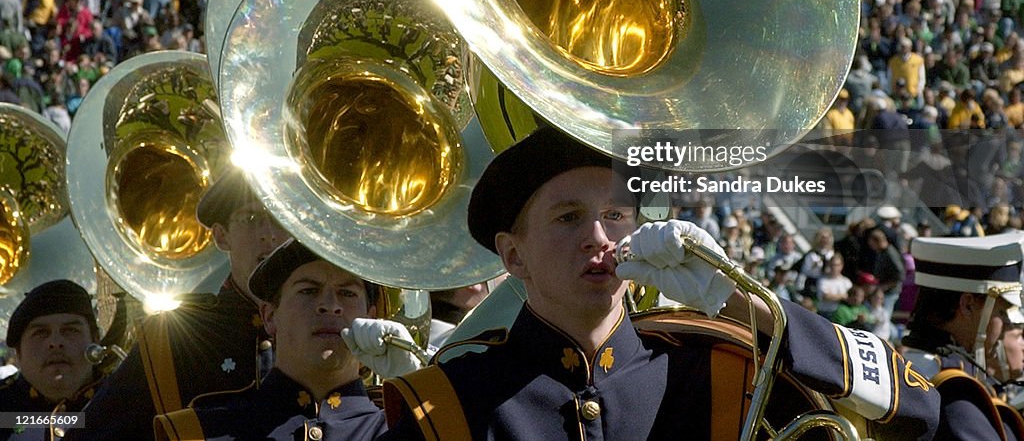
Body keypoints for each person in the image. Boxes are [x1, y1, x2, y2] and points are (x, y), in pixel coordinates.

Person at [382, 127, 939, 440]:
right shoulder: (444, 402)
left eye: (617, 214)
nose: (599, 236)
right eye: (567, 217)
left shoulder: (718, 366)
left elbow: (917, 407)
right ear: (513, 254)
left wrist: (739, 301)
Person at [74, 171, 288, 440]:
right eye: (252, 219)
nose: (268, 234)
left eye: (281, 219)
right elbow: (89, 433)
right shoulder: (174, 337)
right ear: (222, 237)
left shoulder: (335, 326)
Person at [155, 239, 416, 440]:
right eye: (308, 291)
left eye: (347, 293)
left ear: (372, 316)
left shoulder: (410, 427)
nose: (330, 305)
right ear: (269, 316)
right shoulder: (198, 432)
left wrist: (419, 395)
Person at [901, 233, 1024, 440]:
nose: (1004, 325)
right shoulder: (954, 391)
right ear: (967, 305)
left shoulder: (917, 367)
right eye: (1001, 313)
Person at [0, 281, 105, 441]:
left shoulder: (130, 403)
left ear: (95, 341)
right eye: (41, 332)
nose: (55, 342)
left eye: (70, 330)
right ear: (18, 351)